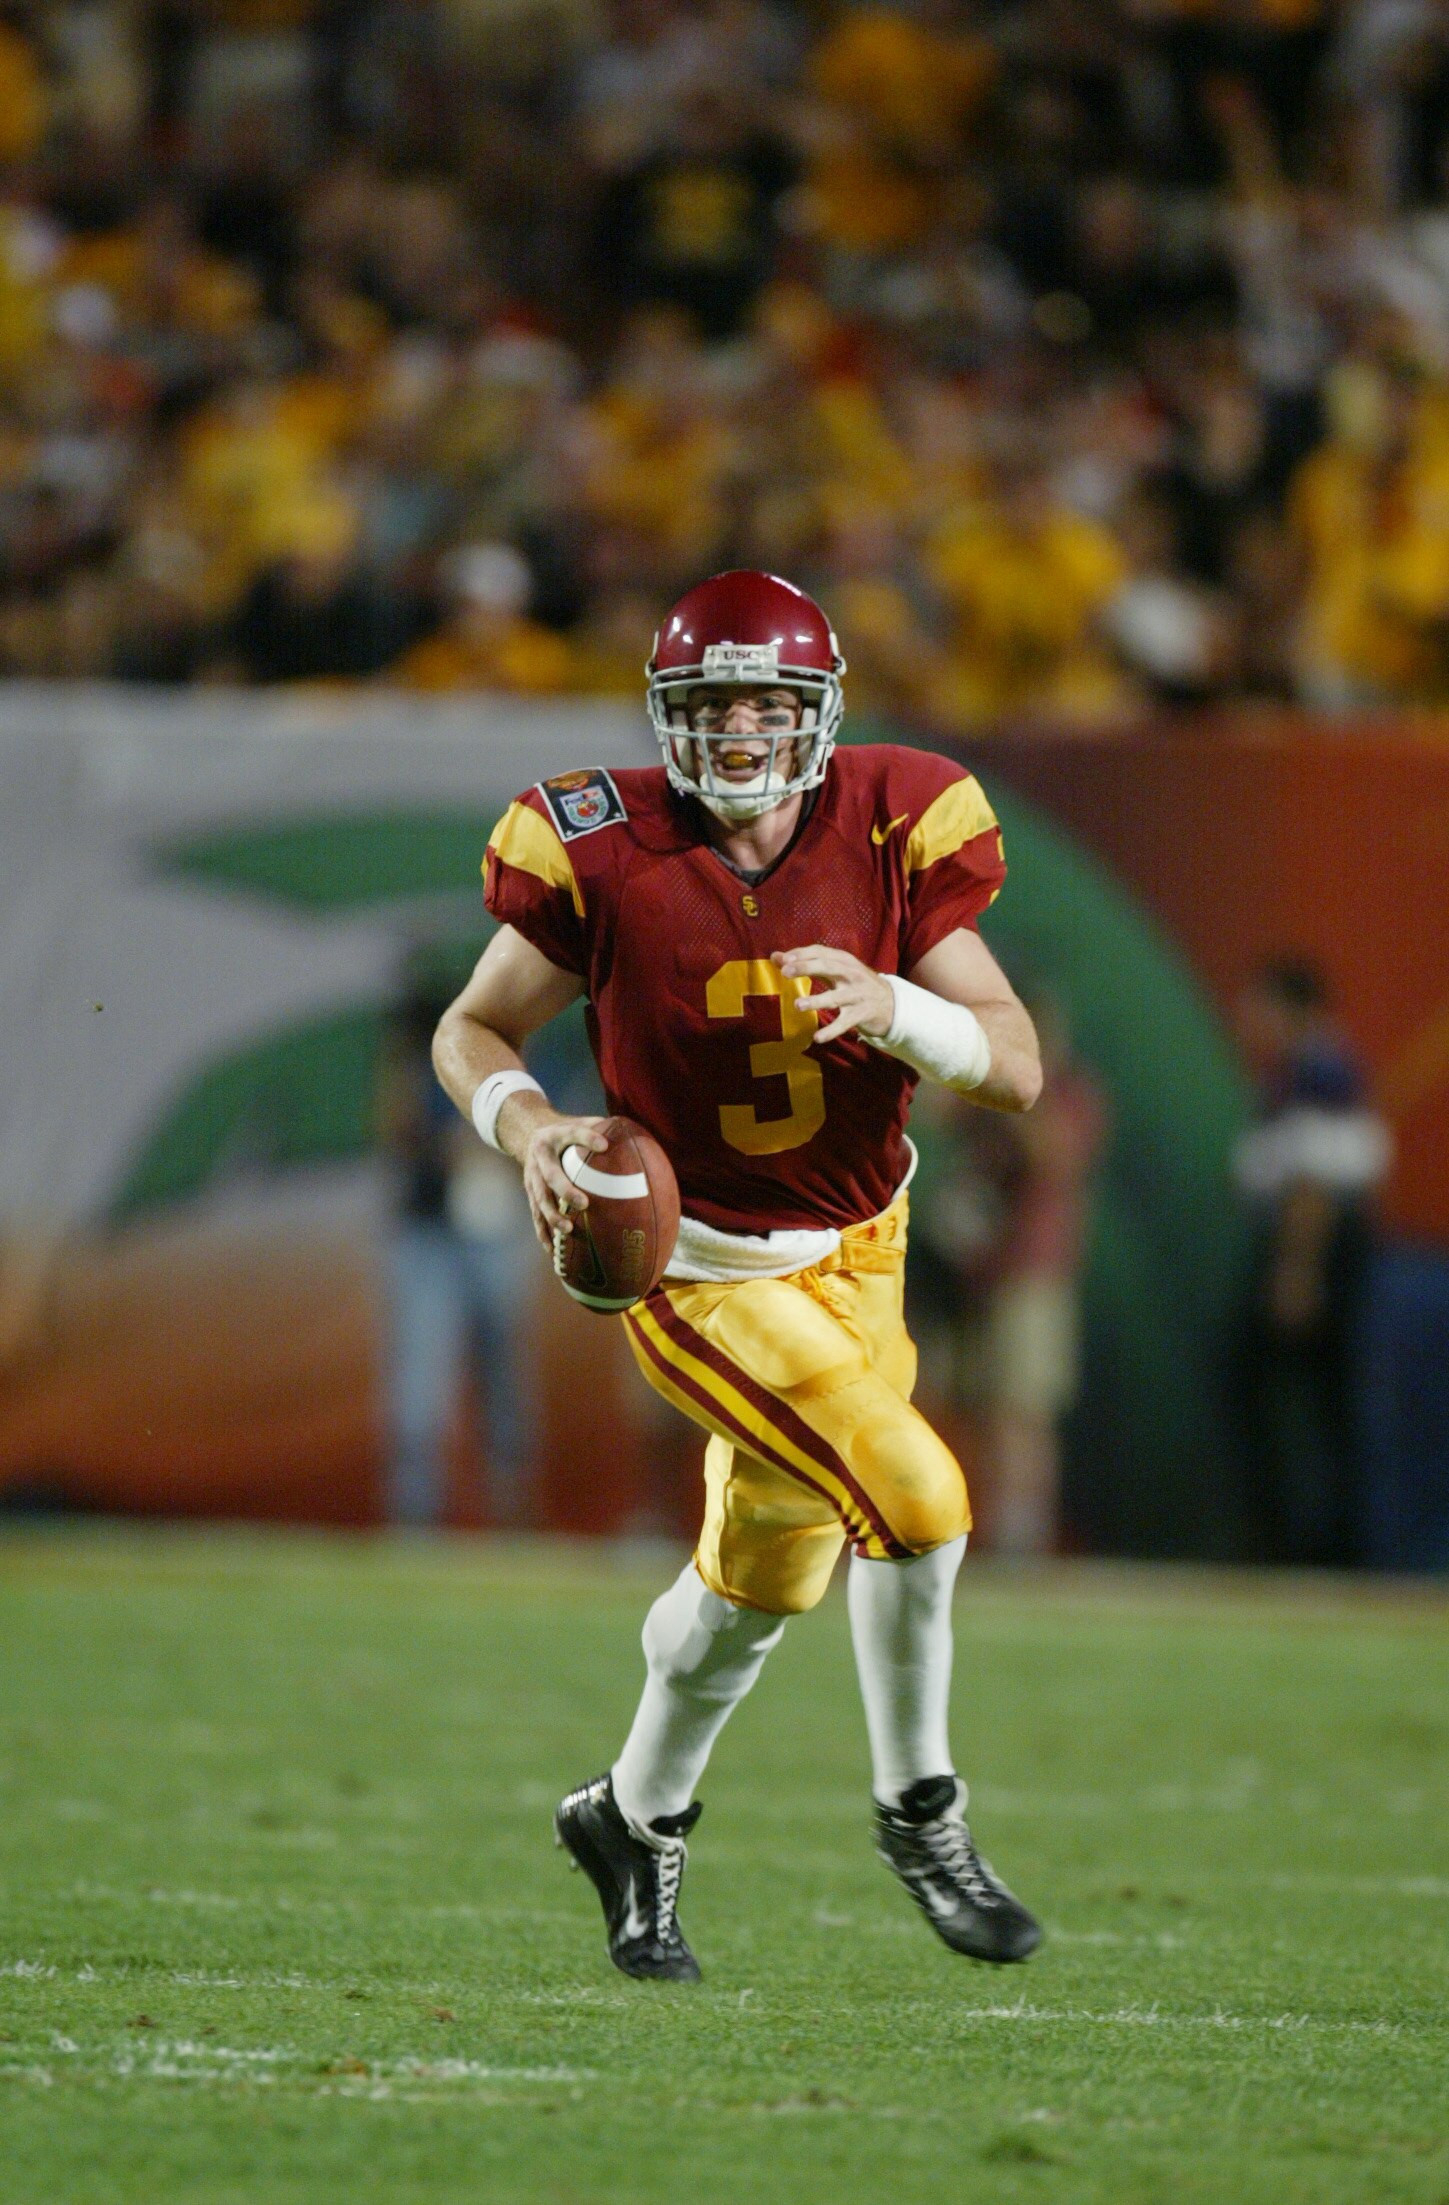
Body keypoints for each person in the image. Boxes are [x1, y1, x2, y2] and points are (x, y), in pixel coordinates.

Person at [433, 570, 1045, 1983]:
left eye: (769, 704)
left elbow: (1011, 1063)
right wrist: (529, 1127)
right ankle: (921, 1811)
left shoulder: (895, 819)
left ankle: (629, 1817)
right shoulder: (596, 842)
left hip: (862, 1250)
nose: (740, 736)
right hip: (697, 1267)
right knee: (914, 1491)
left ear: (819, 713)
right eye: (710, 708)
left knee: (760, 1581)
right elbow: (471, 1028)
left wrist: (899, 1007)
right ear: (668, 717)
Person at [1233, 957, 1391, 1566]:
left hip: (1319, 1253)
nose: (1248, 1019)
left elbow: (1314, 1179)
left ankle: (1316, 1548)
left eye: (1259, 1004)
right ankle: (1316, 1542)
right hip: (1317, 1251)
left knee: (1311, 1397)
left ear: (1292, 1009)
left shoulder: (1320, 1070)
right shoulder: (1296, 1070)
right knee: (1320, 1400)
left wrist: (1297, 1268)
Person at [378, 970, 538, 1529]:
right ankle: (414, 1527)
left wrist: (486, 1146)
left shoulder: (520, 1065)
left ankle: (514, 1527)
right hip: (429, 1233)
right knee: (420, 1396)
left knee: (505, 1392)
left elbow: (548, 1138)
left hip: (494, 1236)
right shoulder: (417, 1061)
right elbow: (394, 1132)